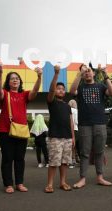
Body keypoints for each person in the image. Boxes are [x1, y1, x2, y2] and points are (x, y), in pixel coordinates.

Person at [0, 63, 42, 194]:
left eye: (17, 78)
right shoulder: (5, 94)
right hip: (5, 130)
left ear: (20, 81)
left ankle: (19, 183)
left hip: (21, 130)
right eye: (12, 78)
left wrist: (39, 77)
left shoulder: (24, 95)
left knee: (20, 158)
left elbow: (34, 92)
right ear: (8, 82)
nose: (15, 80)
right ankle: (8, 184)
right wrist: (0, 73)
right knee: (7, 158)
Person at [70, 64, 112, 189]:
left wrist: (105, 74)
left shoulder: (100, 86)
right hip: (85, 124)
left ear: (94, 73)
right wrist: (79, 74)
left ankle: (100, 177)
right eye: (84, 71)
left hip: (100, 123)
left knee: (99, 152)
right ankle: (82, 179)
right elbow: (71, 91)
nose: (87, 73)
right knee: (84, 152)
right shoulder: (80, 87)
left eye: (89, 70)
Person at [44, 65, 75, 193]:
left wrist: (73, 137)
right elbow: (51, 91)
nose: (61, 91)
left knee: (64, 162)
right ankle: (50, 184)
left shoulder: (67, 106)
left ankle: (63, 182)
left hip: (67, 138)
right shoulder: (52, 102)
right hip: (55, 137)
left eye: (63, 89)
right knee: (53, 162)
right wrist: (56, 74)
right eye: (59, 88)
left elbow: (71, 122)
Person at [68, 99, 79, 168]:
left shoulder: (67, 110)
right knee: (75, 146)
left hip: (68, 129)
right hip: (75, 129)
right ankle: (74, 159)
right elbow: (77, 121)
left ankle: (71, 160)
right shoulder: (76, 111)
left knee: (69, 146)